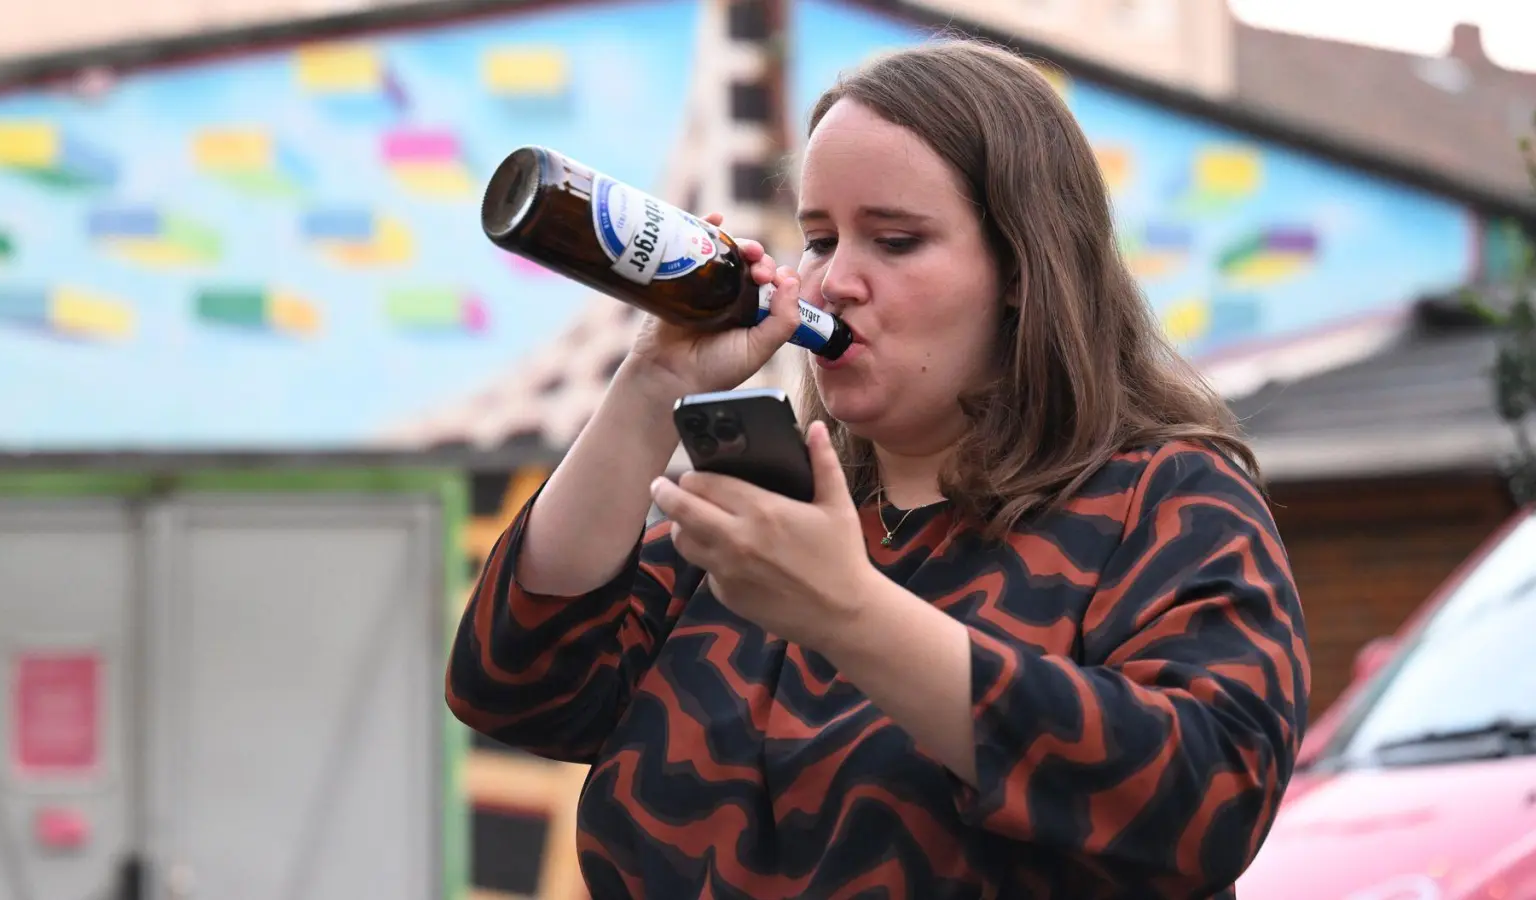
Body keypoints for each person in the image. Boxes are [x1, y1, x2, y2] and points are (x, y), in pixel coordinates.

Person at [447, 37, 1310, 900]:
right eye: (818, 240)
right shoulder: (771, 515)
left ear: (1024, 268)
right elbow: (518, 685)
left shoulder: (1159, 497)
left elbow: (1211, 793)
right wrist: (651, 384)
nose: (833, 283)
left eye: (894, 241)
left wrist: (851, 615)